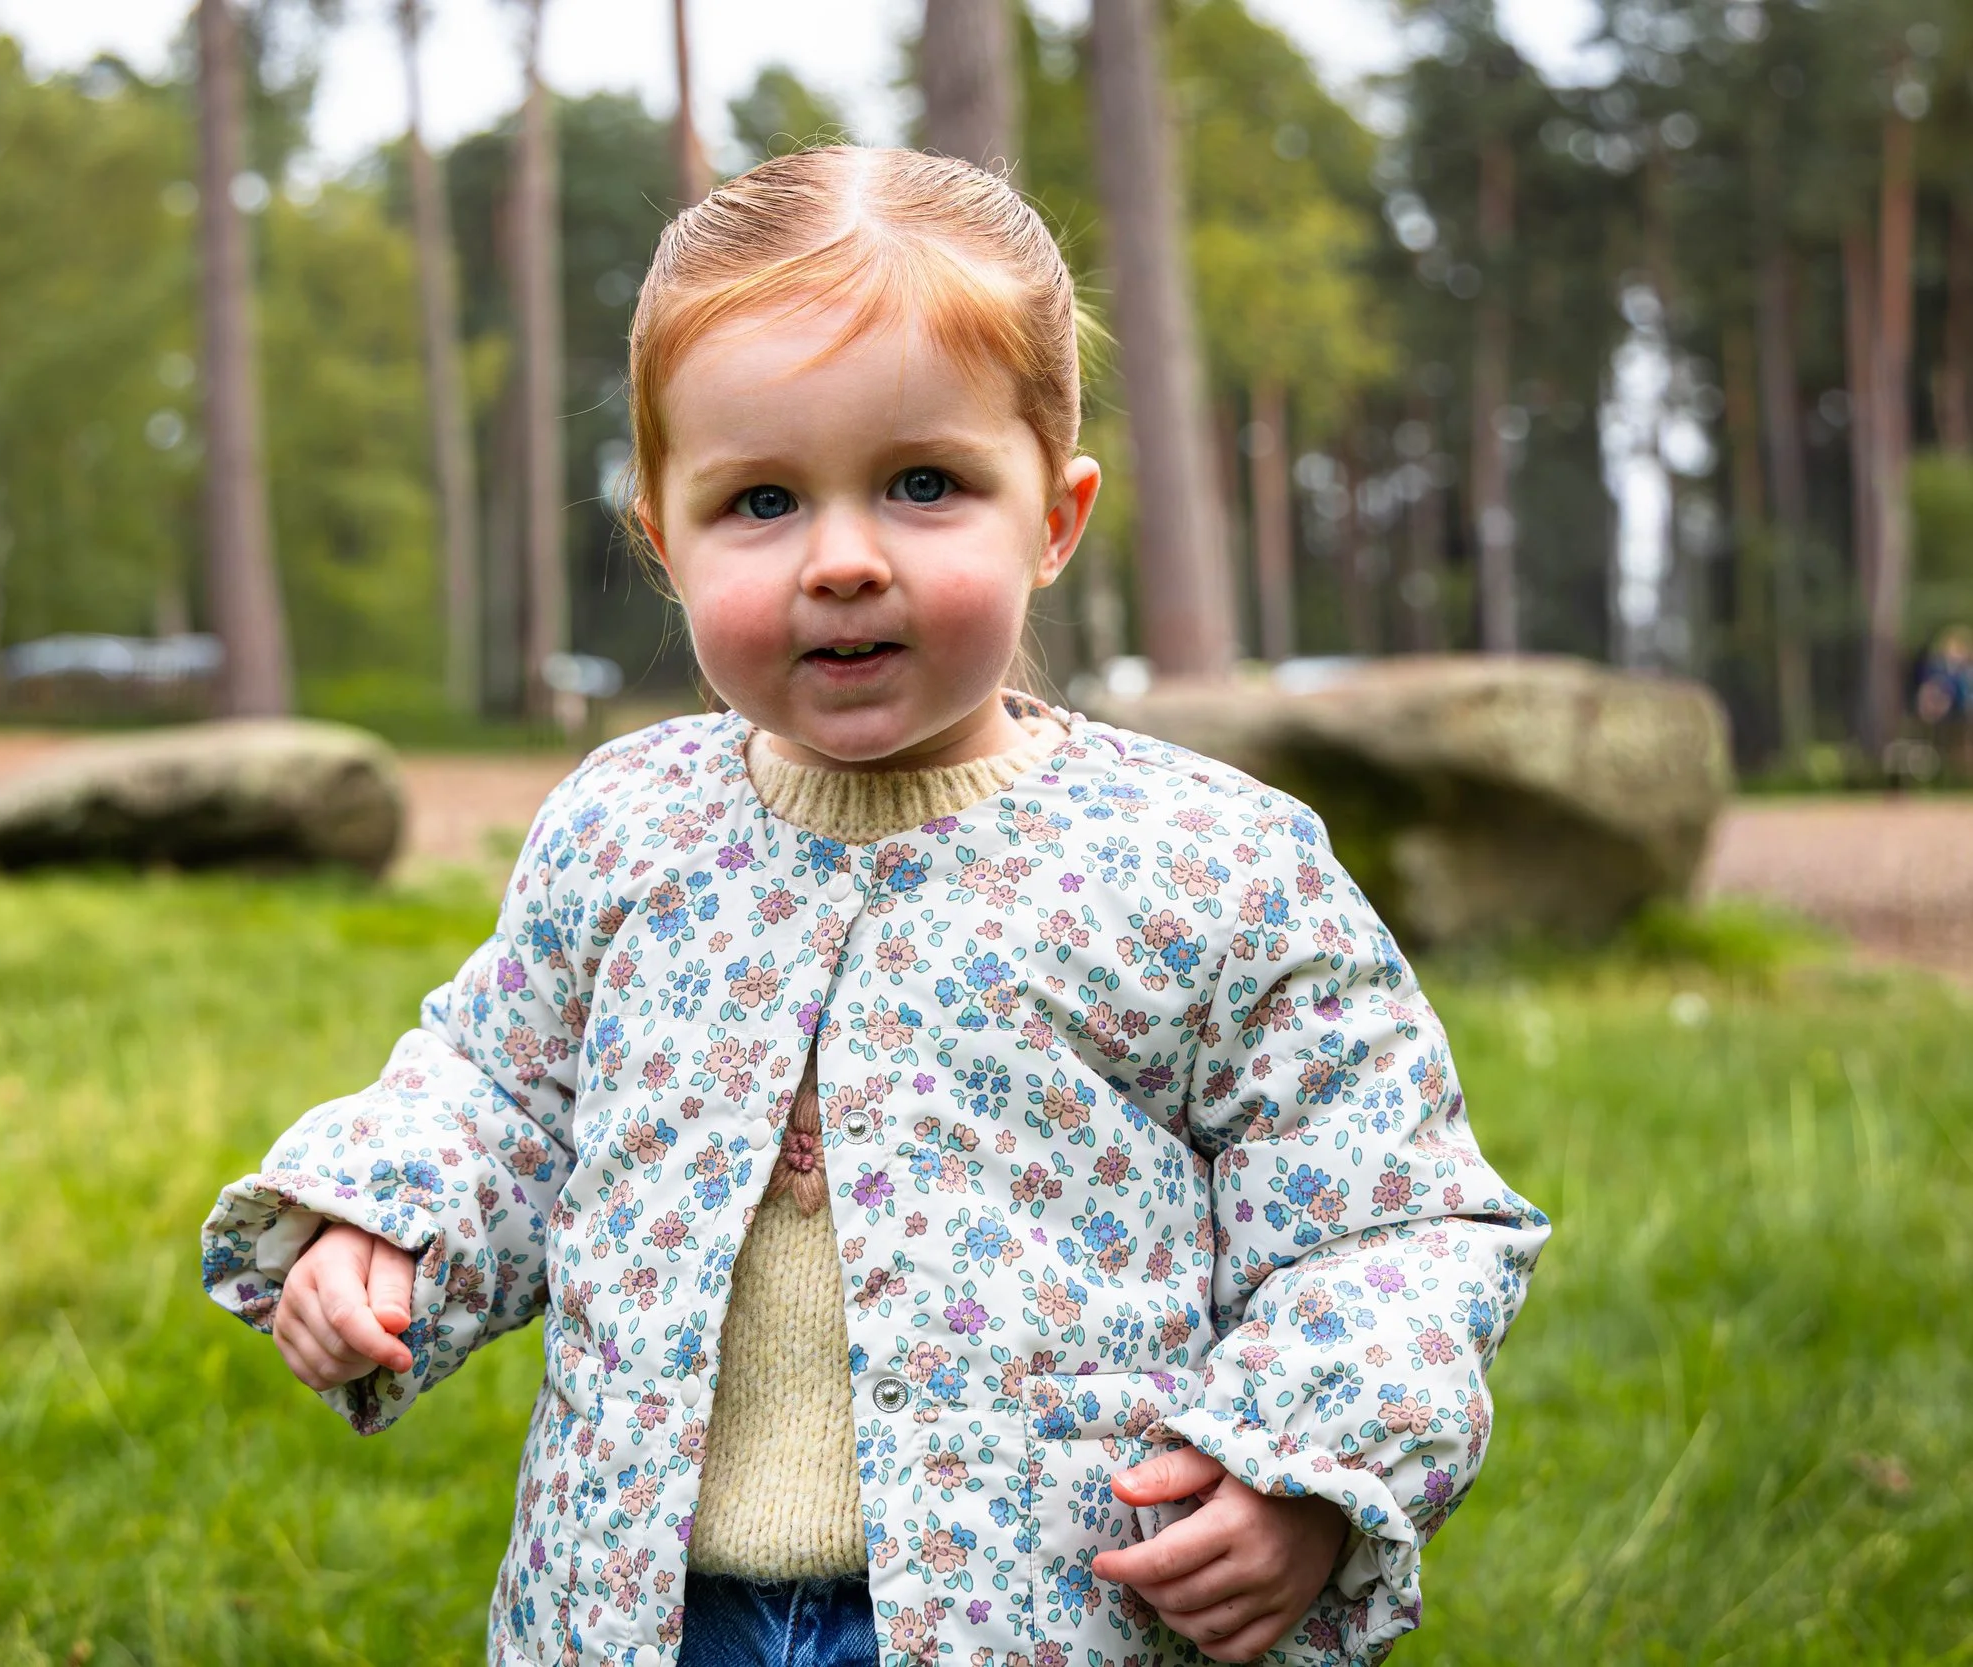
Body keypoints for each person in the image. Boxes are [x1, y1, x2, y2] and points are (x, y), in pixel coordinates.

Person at [201, 146, 1548, 1667]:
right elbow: (504, 1092)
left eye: (925, 484)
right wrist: (385, 1226)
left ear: (1055, 514)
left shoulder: (1204, 865)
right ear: (665, 539)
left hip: (1045, 1613)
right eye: (761, 500)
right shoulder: (626, 830)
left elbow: (1395, 1215)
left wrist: (1301, 1468)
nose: (844, 559)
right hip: (640, 1606)